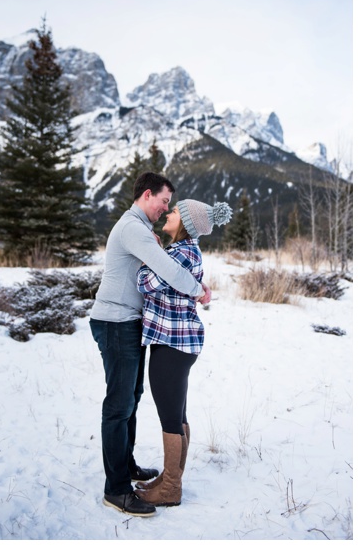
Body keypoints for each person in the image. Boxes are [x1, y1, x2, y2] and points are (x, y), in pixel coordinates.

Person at [90, 173, 212, 518]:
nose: (165, 208)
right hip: (115, 322)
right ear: (148, 195)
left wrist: (196, 283)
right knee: (118, 404)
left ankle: (125, 466)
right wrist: (200, 290)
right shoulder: (134, 228)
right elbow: (166, 271)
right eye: (164, 201)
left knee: (131, 398)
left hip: (130, 323)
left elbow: (171, 267)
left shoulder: (144, 230)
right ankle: (116, 489)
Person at [133, 198, 232, 507]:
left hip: (172, 344)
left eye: (174, 212)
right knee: (177, 413)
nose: (168, 213)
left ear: (186, 224)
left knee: (170, 418)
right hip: (179, 343)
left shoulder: (179, 254)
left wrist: (149, 254)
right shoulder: (184, 252)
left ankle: (171, 488)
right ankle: (170, 477)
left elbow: (144, 283)